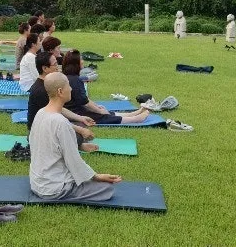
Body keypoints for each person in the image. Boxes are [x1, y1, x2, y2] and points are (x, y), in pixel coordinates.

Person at [29, 72, 121, 202]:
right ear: (60, 91)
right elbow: (73, 160)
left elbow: (47, 145)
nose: (71, 89)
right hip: (54, 188)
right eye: (68, 85)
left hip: (36, 183)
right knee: (107, 189)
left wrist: (81, 146)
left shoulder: (41, 113)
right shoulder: (61, 122)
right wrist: (96, 176)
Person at [27, 52, 98, 152]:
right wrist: (81, 130)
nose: (58, 67)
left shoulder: (49, 84)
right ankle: (78, 145)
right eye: (55, 64)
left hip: (51, 126)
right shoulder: (41, 90)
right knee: (78, 134)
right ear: (45, 68)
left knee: (80, 124)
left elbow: (60, 109)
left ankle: (76, 144)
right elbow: (55, 118)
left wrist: (81, 118)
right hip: (39, 133)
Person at [62, 50, 151, 124]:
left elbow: (84, 99)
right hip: (74, 113)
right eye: (81, 59)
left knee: (102, 111)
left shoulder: (70, 77)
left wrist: (97, 106)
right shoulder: (75, 80)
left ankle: (132, 114)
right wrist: (99, 110)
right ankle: (134, 119)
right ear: (75, 63)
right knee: (101, 116)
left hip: (75, 110)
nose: (83, 61)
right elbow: (85, 103)